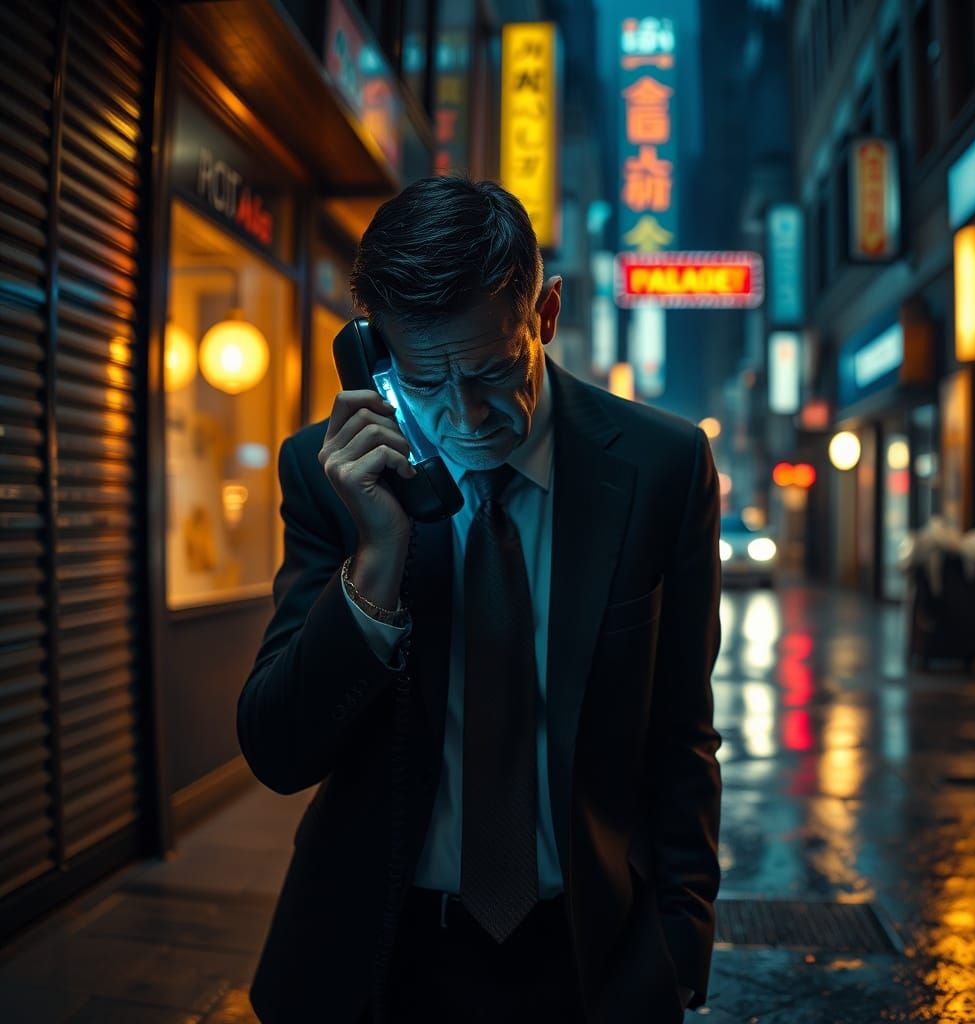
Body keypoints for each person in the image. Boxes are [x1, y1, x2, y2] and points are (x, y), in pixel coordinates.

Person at [237, 176, 722, 1024]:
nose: (464, 417)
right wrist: (376, 558)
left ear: (546, 314)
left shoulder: (662, 468)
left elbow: (682, 733)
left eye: (494, 372)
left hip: (589, 955)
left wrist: (679, 950)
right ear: (375, 357)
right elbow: (280, 752)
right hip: (380, 955)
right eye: (425, 380)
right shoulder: (331, 475)